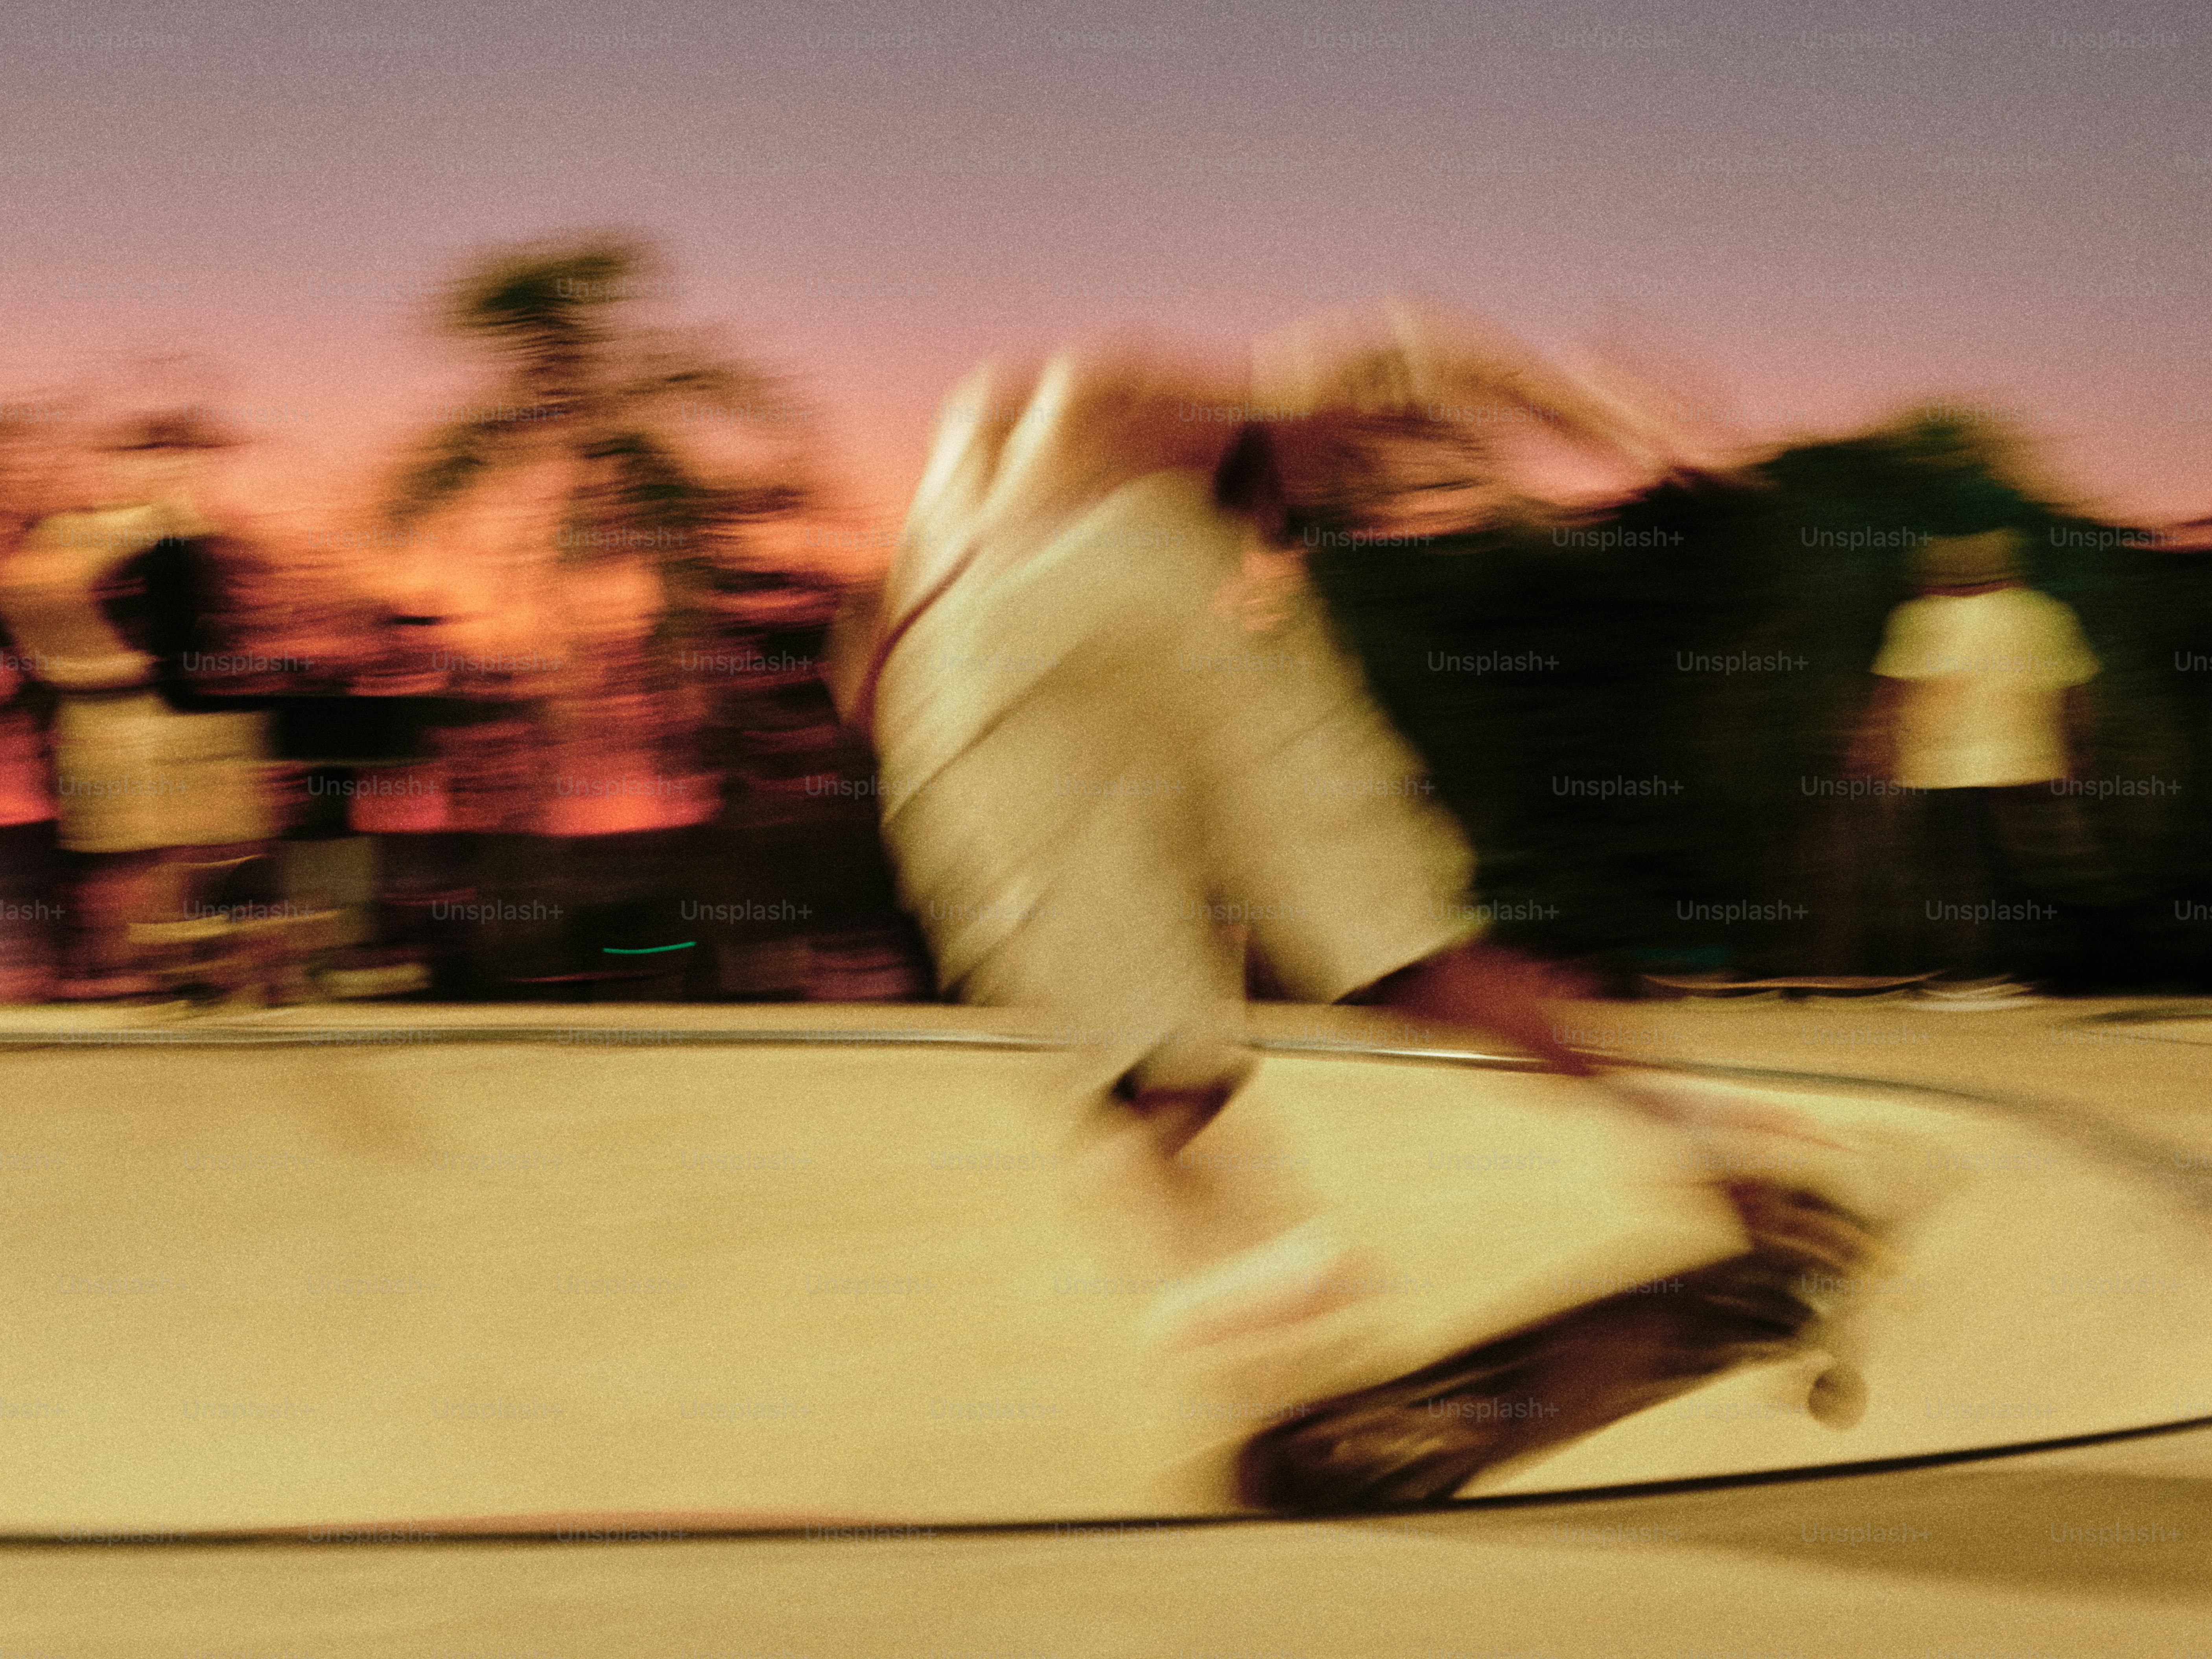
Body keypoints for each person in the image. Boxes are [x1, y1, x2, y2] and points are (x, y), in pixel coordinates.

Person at [865, 317, 1931, 1511]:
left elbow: (870, 668)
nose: (1335, 511)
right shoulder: (1129, 415)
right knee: (1411, 953)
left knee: (1150, 1065)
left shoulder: (989, 458)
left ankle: (1300, 1376)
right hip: (1157, 577)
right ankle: (1742, 1156)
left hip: (950, 674)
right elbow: (1377, 353)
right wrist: (1564, 397)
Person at [0, 413, 284, 997]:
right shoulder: (75, 540)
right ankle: (131, 967)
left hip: (154, 719)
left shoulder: (190, 539)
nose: (174, 468)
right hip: (121, 719)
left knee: (186, 847)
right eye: (154, 454)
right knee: (132, 854)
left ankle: (176, 961)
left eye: (184, 454)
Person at [1847, 526, 2107, 1003]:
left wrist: (1869, 748)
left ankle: (1970, 975)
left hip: (1945, 768)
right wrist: (2079, 752)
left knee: (1959, 872)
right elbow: (2077, 691)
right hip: (2030, 762)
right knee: (2031, 869)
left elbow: (1892, 691)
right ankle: (2049, 973)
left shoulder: (1922, 617)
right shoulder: (2047, 614)